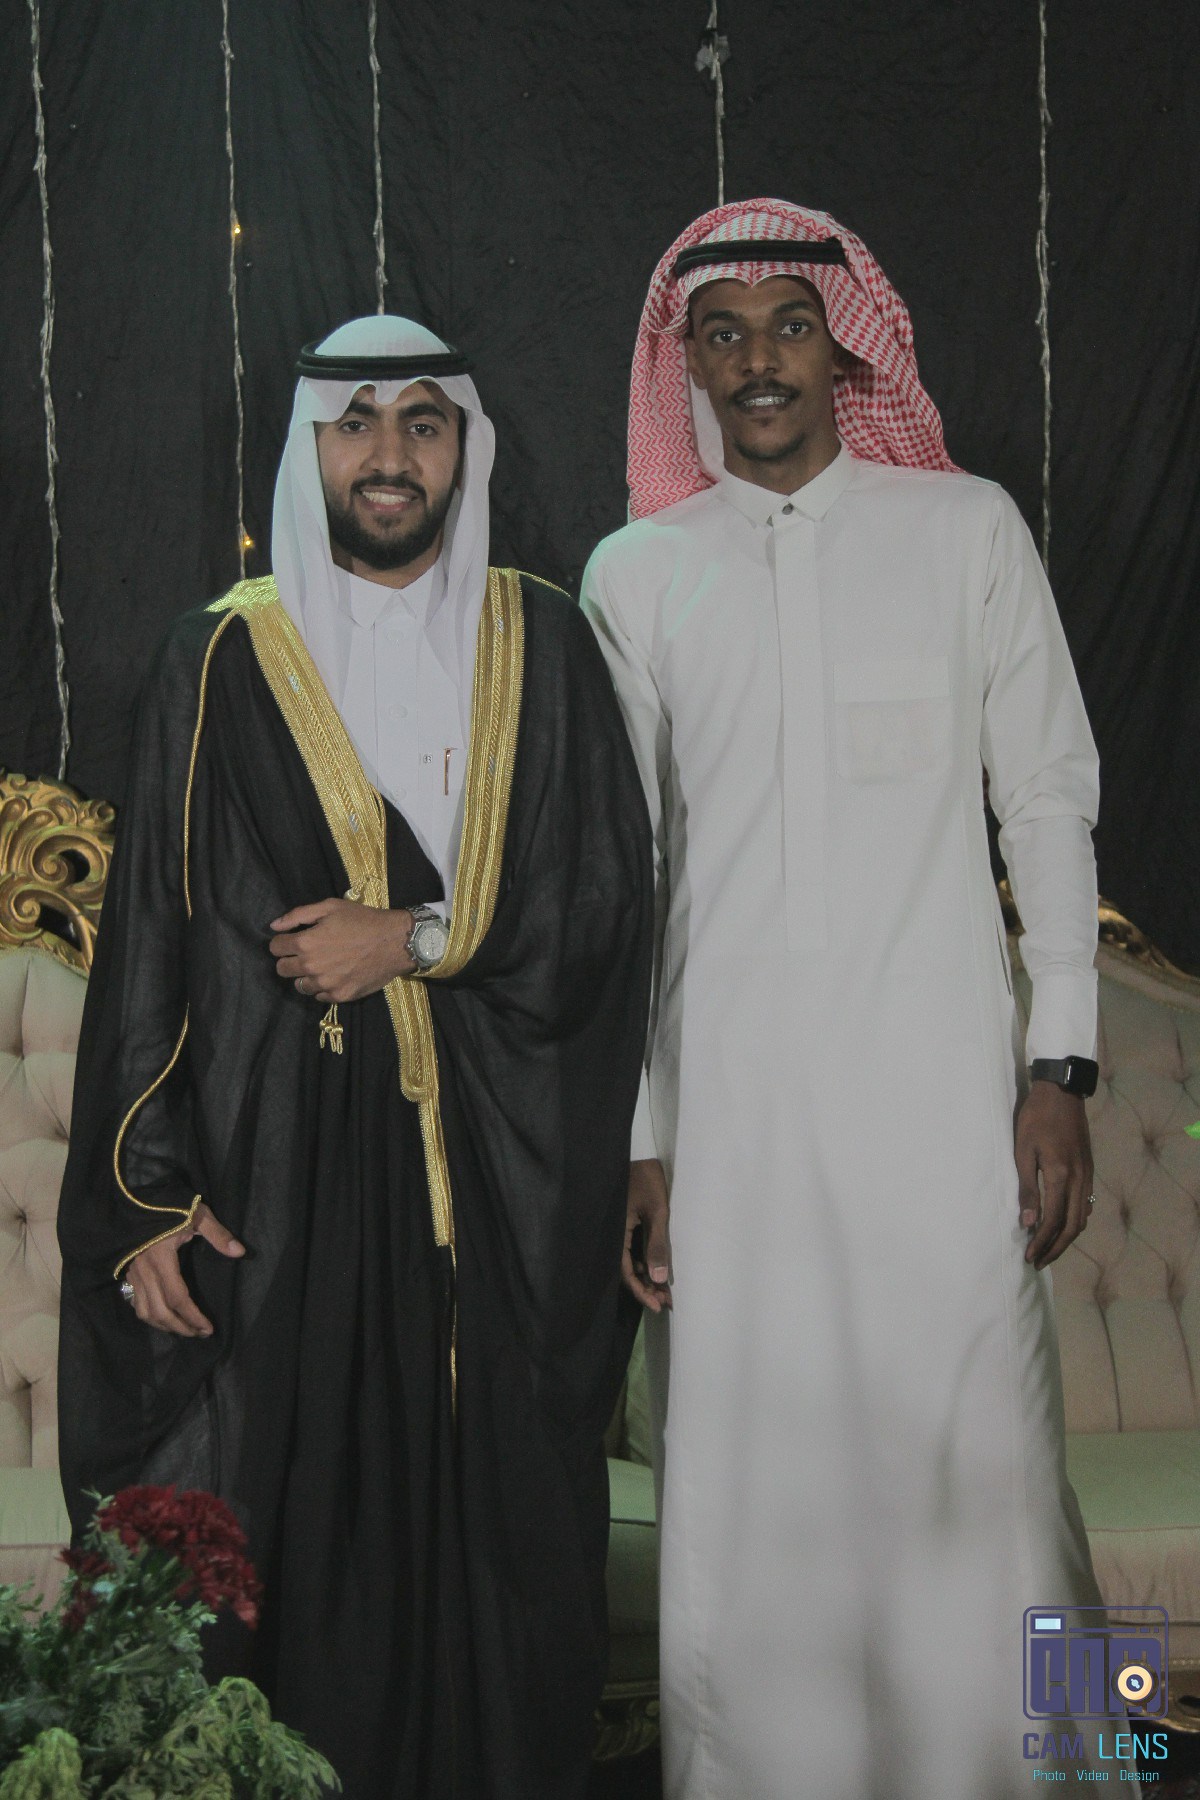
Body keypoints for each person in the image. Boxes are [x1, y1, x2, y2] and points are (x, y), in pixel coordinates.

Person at [57, 315, 652, 1800]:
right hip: (284, 1184)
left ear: (467, 448)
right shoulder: (219, 655)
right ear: (310, 447)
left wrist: (418, 939)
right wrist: (143, 1197)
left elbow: (599, 907)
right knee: (291, 1535)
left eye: (424, 423)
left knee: (500, 1547)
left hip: (499, 1192)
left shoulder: (544, 640)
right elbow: (153, 943)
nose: (391, 456)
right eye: (358, 424)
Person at [582, 201, 1123, 1798]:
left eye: (790, 325)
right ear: (686, 365)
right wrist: (642, 1135)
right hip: (736, 1132)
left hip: (947, 1113)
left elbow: (1049, 800)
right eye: (725, 333)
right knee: (753, 1506)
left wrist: (1061, 1070)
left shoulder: (968, 531)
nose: (760, 361)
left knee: (1003, 1480)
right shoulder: (636, 575)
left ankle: (1084, 1765)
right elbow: (628, 885)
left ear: (847, 348)